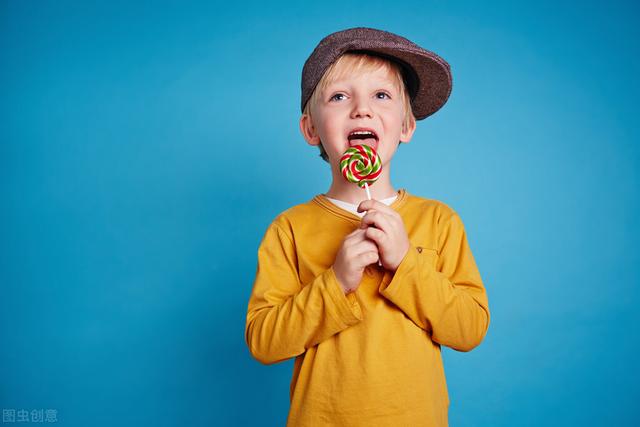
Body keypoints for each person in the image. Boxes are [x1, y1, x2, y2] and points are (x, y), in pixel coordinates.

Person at [244, 27, 490, 426]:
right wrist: (336, 280)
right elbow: (264, 342)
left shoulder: (439, 221)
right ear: (311, 130)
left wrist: (406, 262)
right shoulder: (289, 229)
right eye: (339, 96)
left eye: (381, 95)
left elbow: (469, 329)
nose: (362, 110)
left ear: (406, 126)